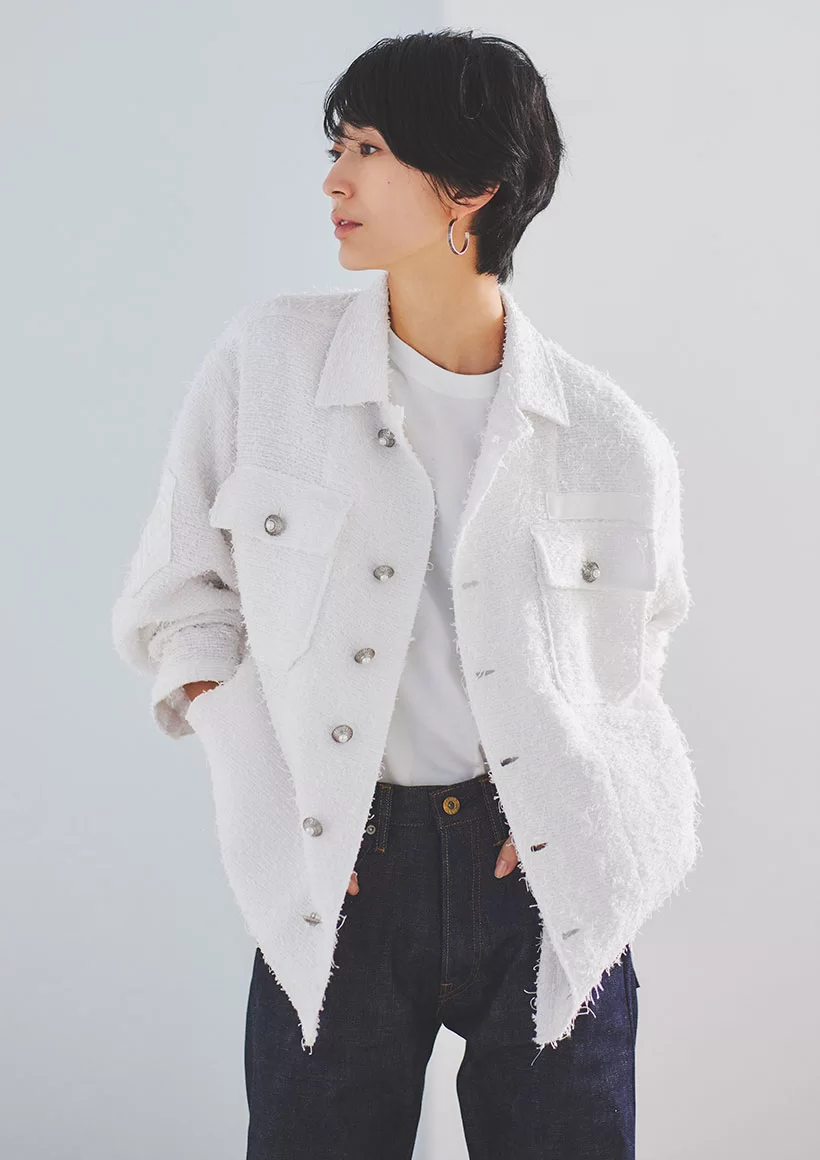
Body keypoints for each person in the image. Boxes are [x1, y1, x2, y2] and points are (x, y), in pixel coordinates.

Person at [112, 29, 699, 1160]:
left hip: (541, 883)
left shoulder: (610, 437)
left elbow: (635, 663)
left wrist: (580, 808)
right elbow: (182, 594)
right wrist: (264, 785)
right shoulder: (266, 365)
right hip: (338, 868)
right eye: (337, 146)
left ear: (468, 189)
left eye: (370, 149)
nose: (335, 180)